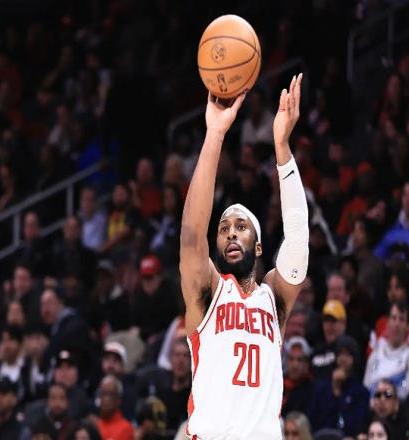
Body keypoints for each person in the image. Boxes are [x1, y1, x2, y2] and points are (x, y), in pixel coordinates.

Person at [179, 74, 309, 439]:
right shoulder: (208, 292)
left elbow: (299, 239)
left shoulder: (274, 298)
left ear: (259, 246)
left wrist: (282, 149)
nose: (231, 233)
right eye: (223, 229)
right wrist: (215, 134)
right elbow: (191, 236)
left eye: (241, 227)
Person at [364, 301, 409, 400]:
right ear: (387, 322)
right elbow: (366, 387)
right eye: (393, 318)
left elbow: (405, 390)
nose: (396, 324)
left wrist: (386, 395)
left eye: (401, 319)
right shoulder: (375, 355)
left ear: (408, 327)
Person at [96, 375, 134, 440]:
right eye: (103, 393)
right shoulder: (95, 426)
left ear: (119, 399)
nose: (106, 399)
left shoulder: (126, 428)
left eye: (110, 394)